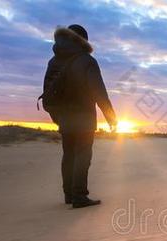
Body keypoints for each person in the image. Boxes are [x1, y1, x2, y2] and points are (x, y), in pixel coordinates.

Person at [42, 24, 117, 208]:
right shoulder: (87, 60)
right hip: (83, 116)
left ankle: (68, 194)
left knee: (68, 155)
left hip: (64, 116)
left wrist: (56, 115)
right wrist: (111, 117)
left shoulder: (54, 61)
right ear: (83, 40)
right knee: (83, 155)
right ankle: (79, 196)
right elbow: (99, 91)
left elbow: (47, 90)